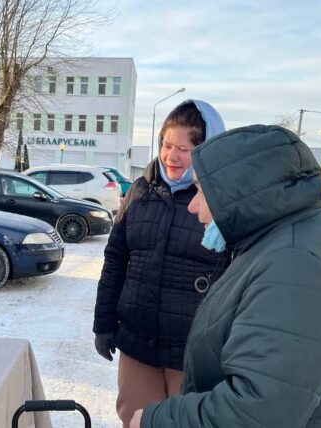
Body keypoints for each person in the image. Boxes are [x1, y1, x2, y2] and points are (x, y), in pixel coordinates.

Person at [131, 125, 321, 427]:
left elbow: (257, 412)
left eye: (202, 191)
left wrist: (157, 420)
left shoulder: (297, 265)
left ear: (239, 193)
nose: (193, 207)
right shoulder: (280, 243)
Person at [93, 100, 231, 427]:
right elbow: (116, 258)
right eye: (167, 145)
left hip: (192, 349)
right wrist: (104, 322)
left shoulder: (218, 198)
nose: (171, 156)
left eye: (183, 148)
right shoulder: (141, 190)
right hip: (138, 341)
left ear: (205, 150)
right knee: (135, 418)